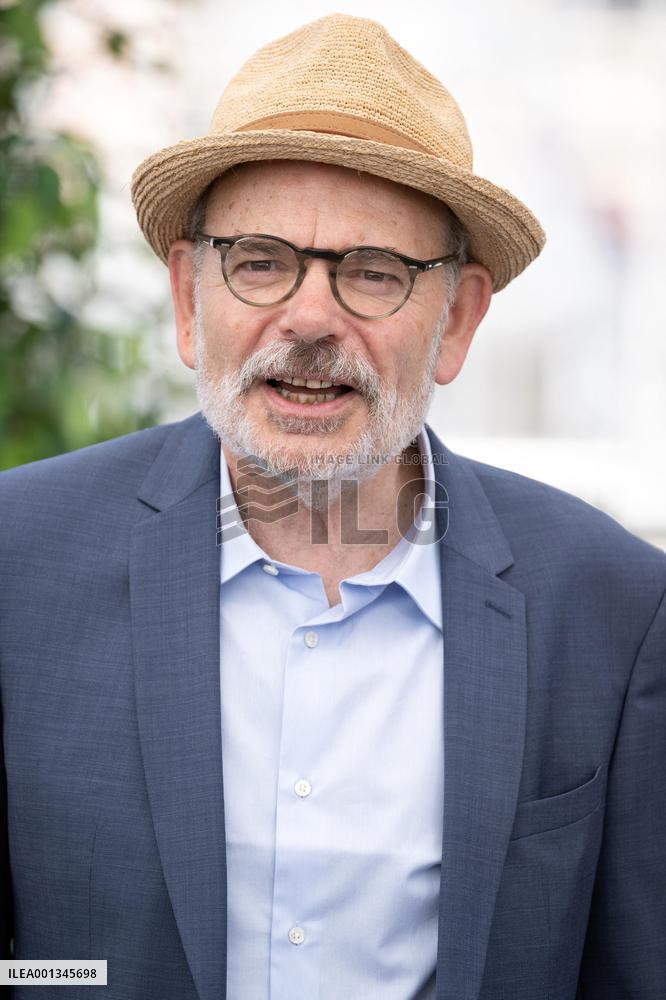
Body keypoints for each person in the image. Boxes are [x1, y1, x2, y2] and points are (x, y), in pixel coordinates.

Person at [0, 13, 664, 1000]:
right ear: (189, 298)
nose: (310, 318)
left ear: (458, 319)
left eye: (372, 272)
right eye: (259, 261)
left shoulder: (614, 607)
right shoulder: (15, 561)